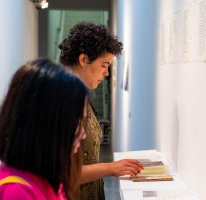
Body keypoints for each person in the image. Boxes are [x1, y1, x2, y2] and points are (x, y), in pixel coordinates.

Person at [58, 22, 143, 200]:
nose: (106, 73)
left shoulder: (79, 95)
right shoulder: (61, 100)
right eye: (104, 65)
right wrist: (111, 168)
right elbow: (62, 171)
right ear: (83, 60)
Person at [0, 58, 89, 200]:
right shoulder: (16, 193)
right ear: (46, 125)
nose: (83, 134)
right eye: (76, 123)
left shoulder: (45, 177)